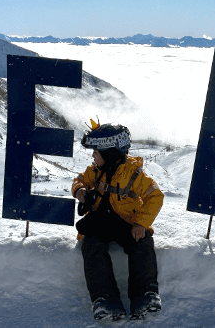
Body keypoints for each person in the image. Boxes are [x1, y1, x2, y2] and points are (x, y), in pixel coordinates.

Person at [70, 119, 164, 321]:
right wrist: (80, 191)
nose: (93, 156)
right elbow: (78, 180)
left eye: (96, 152)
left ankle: (145, 296)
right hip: (100, 222)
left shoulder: (133, 173)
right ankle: (104, 299)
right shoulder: (94, 170)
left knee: (143, 242)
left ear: (110, 153)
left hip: (127, 221)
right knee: (91, 245)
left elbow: (155, 196)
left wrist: (141, 223)